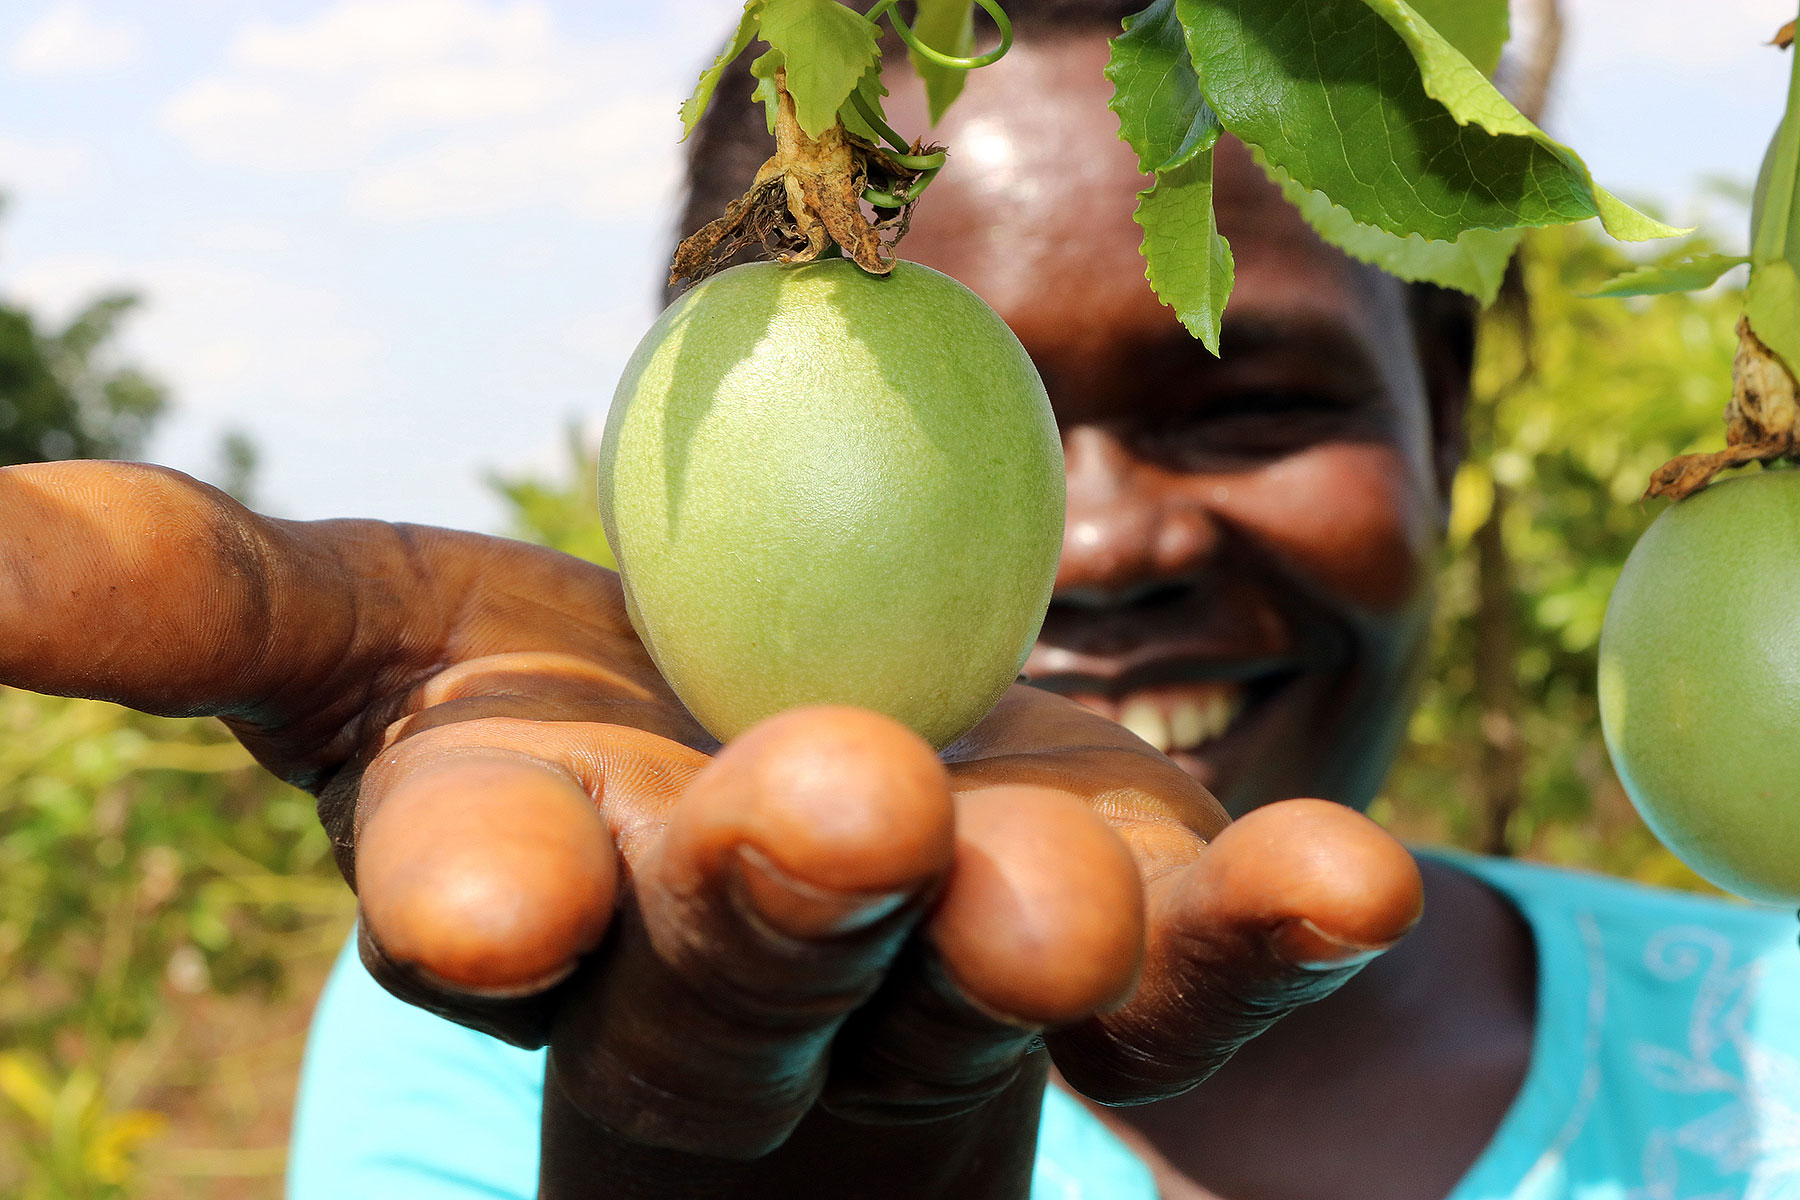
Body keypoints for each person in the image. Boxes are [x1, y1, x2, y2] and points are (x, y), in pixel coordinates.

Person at [5, 3, 1799, 1199]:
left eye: (1250, 403)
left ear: (1450, 424)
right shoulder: (488, 1060)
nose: (1094, 539)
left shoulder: (1771, 1044)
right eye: (993, 416)